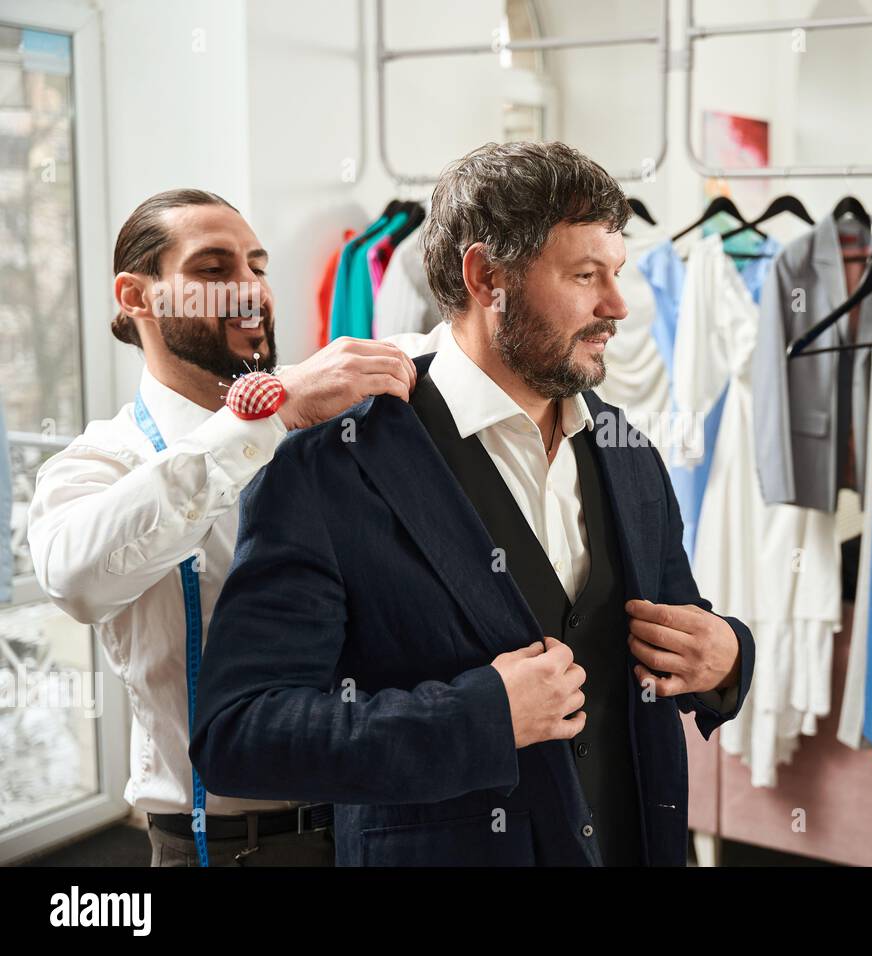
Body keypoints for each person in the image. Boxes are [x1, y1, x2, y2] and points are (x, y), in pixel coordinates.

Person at [189, 141, 755, 866]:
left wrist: (728, 656)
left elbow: (677, 631)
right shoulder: (332, 465)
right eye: (585, 276)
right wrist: (479, 718)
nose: (616, 306)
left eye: (616, 274)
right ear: (488, 276)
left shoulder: (627, 450)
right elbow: (240, 735)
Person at [27, 188, 419, 866]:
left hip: (379, 829)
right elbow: (77, 580)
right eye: (213, 270)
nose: (250, 289)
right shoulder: (102, 461)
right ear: (137, 296)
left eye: (258, 267)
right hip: (225, 850)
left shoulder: (330, 439)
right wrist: (262, 418)